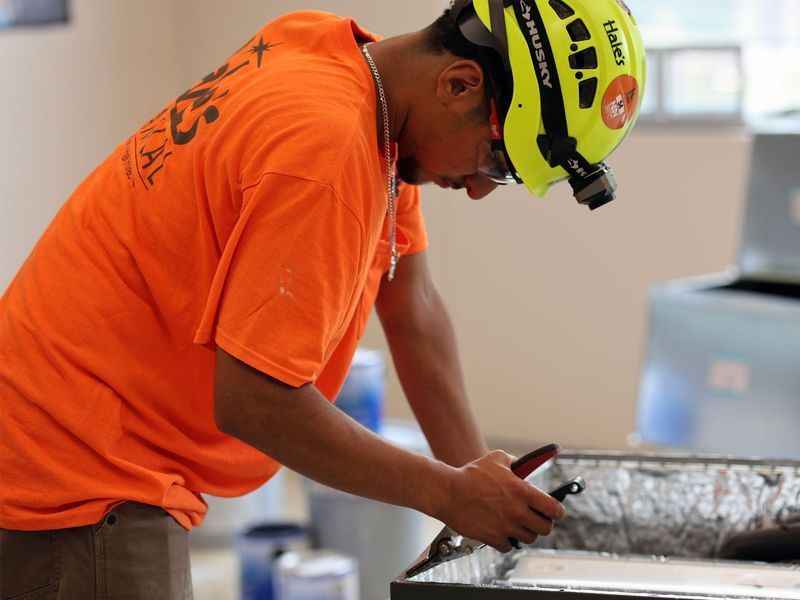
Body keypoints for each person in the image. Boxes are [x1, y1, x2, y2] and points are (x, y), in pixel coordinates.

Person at [0, 0, 644, 597]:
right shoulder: (327, 150)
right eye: (497, 162)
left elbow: (412, 307)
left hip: (65, 415)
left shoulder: (330, 54)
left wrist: (480, 480)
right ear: (459, 84)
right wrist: (447, 493)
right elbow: (257, 401)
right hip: (73, 461)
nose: (478, 189)